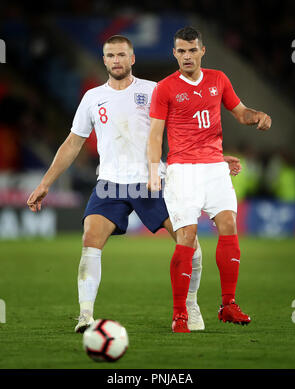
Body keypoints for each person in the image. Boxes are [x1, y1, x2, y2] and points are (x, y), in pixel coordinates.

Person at [27, 35, 241, 334]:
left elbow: (189, 127)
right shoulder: (92, 98)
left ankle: (189, 304)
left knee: (188, 242)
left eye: (122, 55)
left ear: (132, 59)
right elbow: (72, 143)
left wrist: (215, 157)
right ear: (104, 60)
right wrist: (46, 183)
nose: (116, 60)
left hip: (152, 181)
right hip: (111, 183)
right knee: (90, 238)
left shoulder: (154, 90)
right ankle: (86, 316)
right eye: (111, 55)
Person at [148, 26, 271, 332]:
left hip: (215, 168)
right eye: (181, 51)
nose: (187, 56)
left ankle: (228, 304)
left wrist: (258, 116)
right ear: (174, 53)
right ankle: (180, 314)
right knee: (187, 236)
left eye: (192, 50)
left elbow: (240, 112)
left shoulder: (219, 79)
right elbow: (155, 133)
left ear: (203, 51)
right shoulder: (164, 88)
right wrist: (153, 169)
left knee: (229, 226)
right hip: (183, 171)